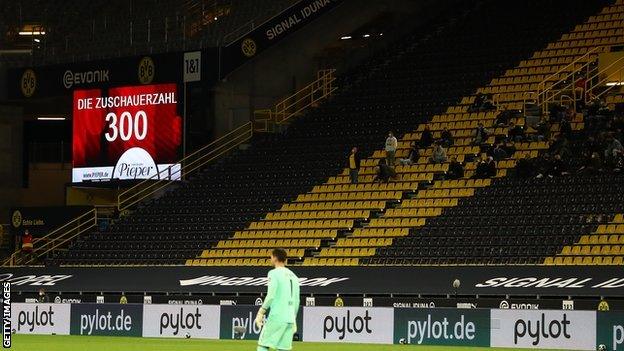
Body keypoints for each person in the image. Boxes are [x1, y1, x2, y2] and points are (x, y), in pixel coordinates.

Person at [255, 248, 300, 351]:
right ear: (285, 260)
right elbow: (297, 301)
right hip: (290, 319)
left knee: (263, 345)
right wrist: (294, 319)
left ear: (275, 258)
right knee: (283, 349)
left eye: (271, 257)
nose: (270, 259)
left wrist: (261, 312)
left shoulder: (273, 273)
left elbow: (270, 296)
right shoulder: (294, 276)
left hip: (277, 316)